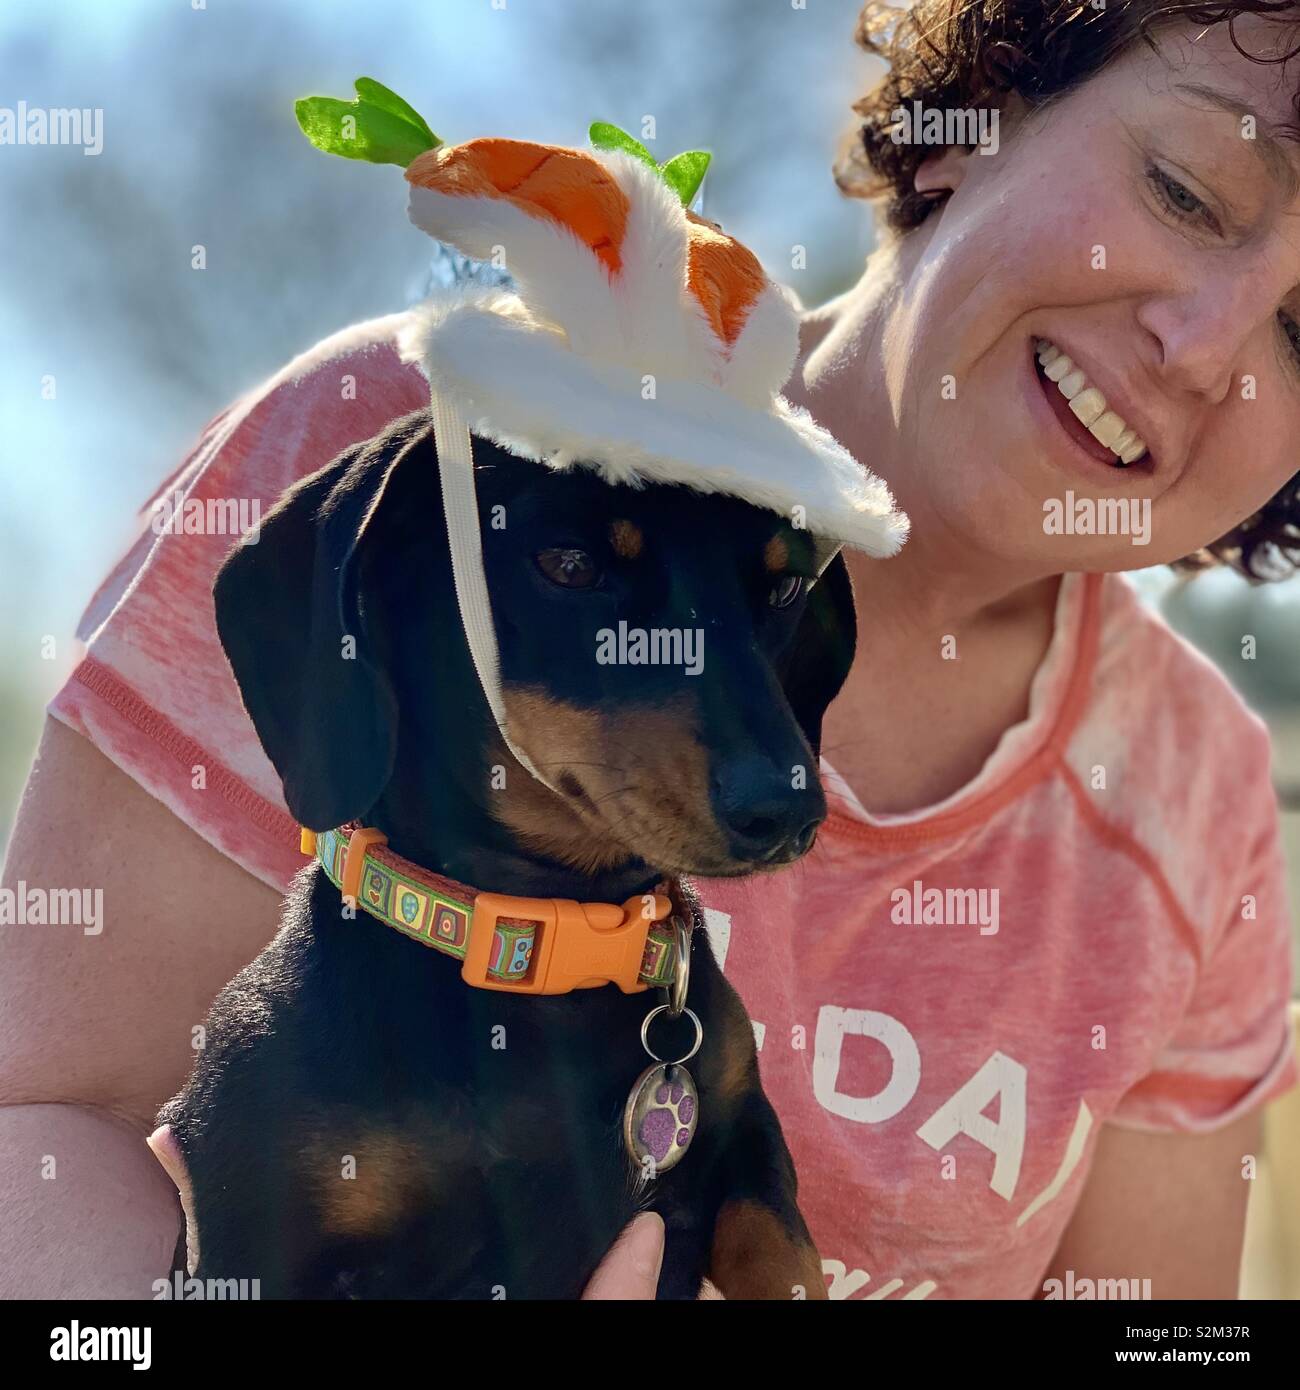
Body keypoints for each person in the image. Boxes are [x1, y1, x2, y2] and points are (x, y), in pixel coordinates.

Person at [3, 0, 1298, 1300]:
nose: (1203, 348)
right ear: (983, 114)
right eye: (1187, 191)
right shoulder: (438, 455)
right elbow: (40, 1141)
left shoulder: (1199, 794)